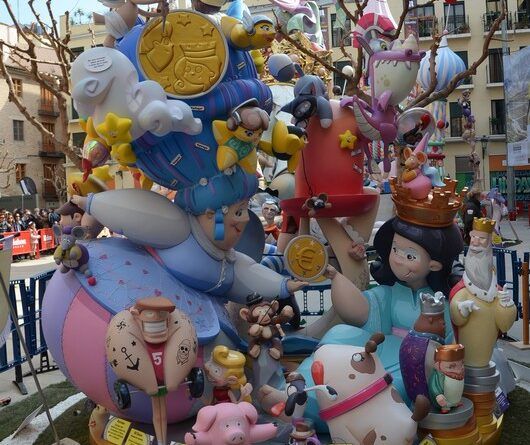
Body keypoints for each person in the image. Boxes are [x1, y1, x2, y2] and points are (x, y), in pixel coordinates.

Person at [449, 218, 517, 368]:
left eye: (482, 238)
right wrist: (460, 308)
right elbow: (456, 316)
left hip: (486, 355)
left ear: (489, 242)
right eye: (473, 237)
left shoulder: (497, 291)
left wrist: (506, 305)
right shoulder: (462, 290)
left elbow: (504, 325)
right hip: (464, 356)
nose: (476, 242)